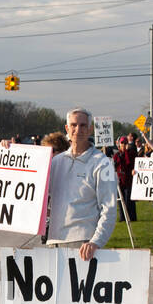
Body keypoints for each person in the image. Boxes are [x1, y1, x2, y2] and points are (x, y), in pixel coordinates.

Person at [45, 108, 118, 260]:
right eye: (73, 125)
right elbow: (37, 195)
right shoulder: (56, 162)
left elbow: (109, 209)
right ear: (67, 128)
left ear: (90, 129)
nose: (78, 129)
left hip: (84, 245)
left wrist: (95, 242)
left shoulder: (103, 163)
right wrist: (8, 151)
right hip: (54, 241)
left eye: (83, 125)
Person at [112, 134, 137, 224]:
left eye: (125, 143)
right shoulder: (117, 155)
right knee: (121, 200)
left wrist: (126, 151)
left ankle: (131, 217)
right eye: (122, 143)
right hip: (120, 180)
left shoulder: (131, 153)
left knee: (128, 199)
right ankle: (122, 217)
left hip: (128, 180)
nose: (123, 145)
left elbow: (129, 162)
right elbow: (114, 165)